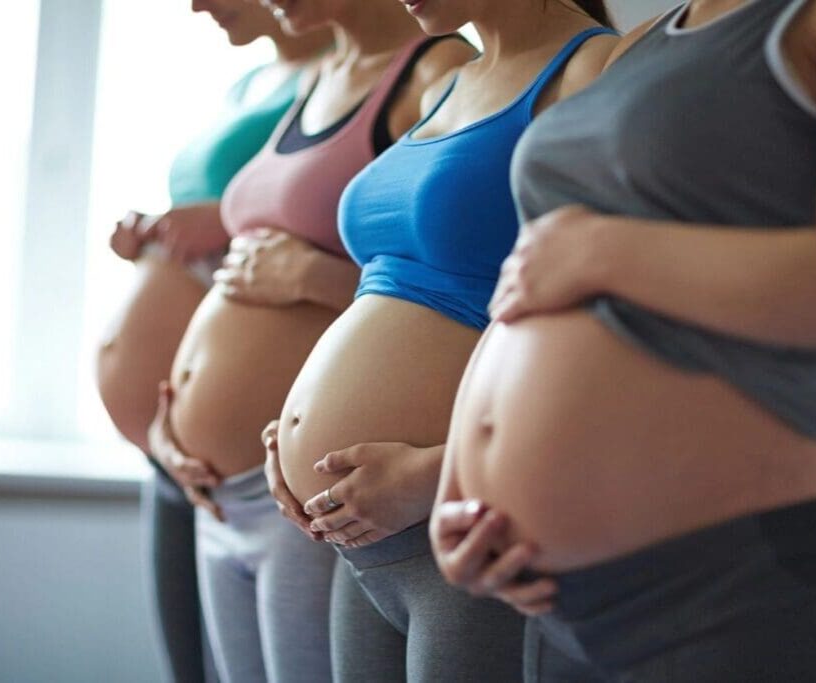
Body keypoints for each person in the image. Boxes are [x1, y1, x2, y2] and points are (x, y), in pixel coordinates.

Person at [431, 1, 816, 681]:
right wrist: (456, 490)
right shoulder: (637, 47)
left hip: (747, 577)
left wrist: (601, 250)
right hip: (555, 597)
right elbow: (529, 281)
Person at [263, 1, 618, 680]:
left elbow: (614, 341)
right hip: (362, 546)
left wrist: (436, 473)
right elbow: (386, 297)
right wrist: (295, 429)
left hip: (469, 528)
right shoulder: (445, 85)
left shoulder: (595, 71)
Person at [146, 0, 476, 680]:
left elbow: (450, 278)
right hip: (224, 488)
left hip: (313, 493)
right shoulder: (318, 77)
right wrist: (172, 421)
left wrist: (312, 275)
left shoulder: (438, 70)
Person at [95, 1, 329, 680]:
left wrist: (222, 221)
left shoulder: (342, 78)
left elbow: (308, 221)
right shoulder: (247, 83)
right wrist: (153, 234)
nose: (198, 4)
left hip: (254, 458)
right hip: (172, 445)